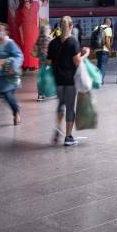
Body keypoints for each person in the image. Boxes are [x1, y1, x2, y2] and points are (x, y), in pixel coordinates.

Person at [46, 16, 88, 147]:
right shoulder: (73, 41)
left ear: (59, 26)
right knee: (70, 108)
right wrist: (86, 53)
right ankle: (68, 137)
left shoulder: (53, 43)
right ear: (71, 27)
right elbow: (77, 61)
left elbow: (48, 62)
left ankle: (58, 128)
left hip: (58, 79)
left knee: (61, 104)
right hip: (70, 80)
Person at [34, 23, 52, 101]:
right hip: (48, 60)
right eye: (49, 29)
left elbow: (36, 48)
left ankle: (40, 94)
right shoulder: (49, 38)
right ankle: (47, 93)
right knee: (48, 77)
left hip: (41, 61)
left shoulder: (39, 38)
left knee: (41, 77)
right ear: (47, 30)